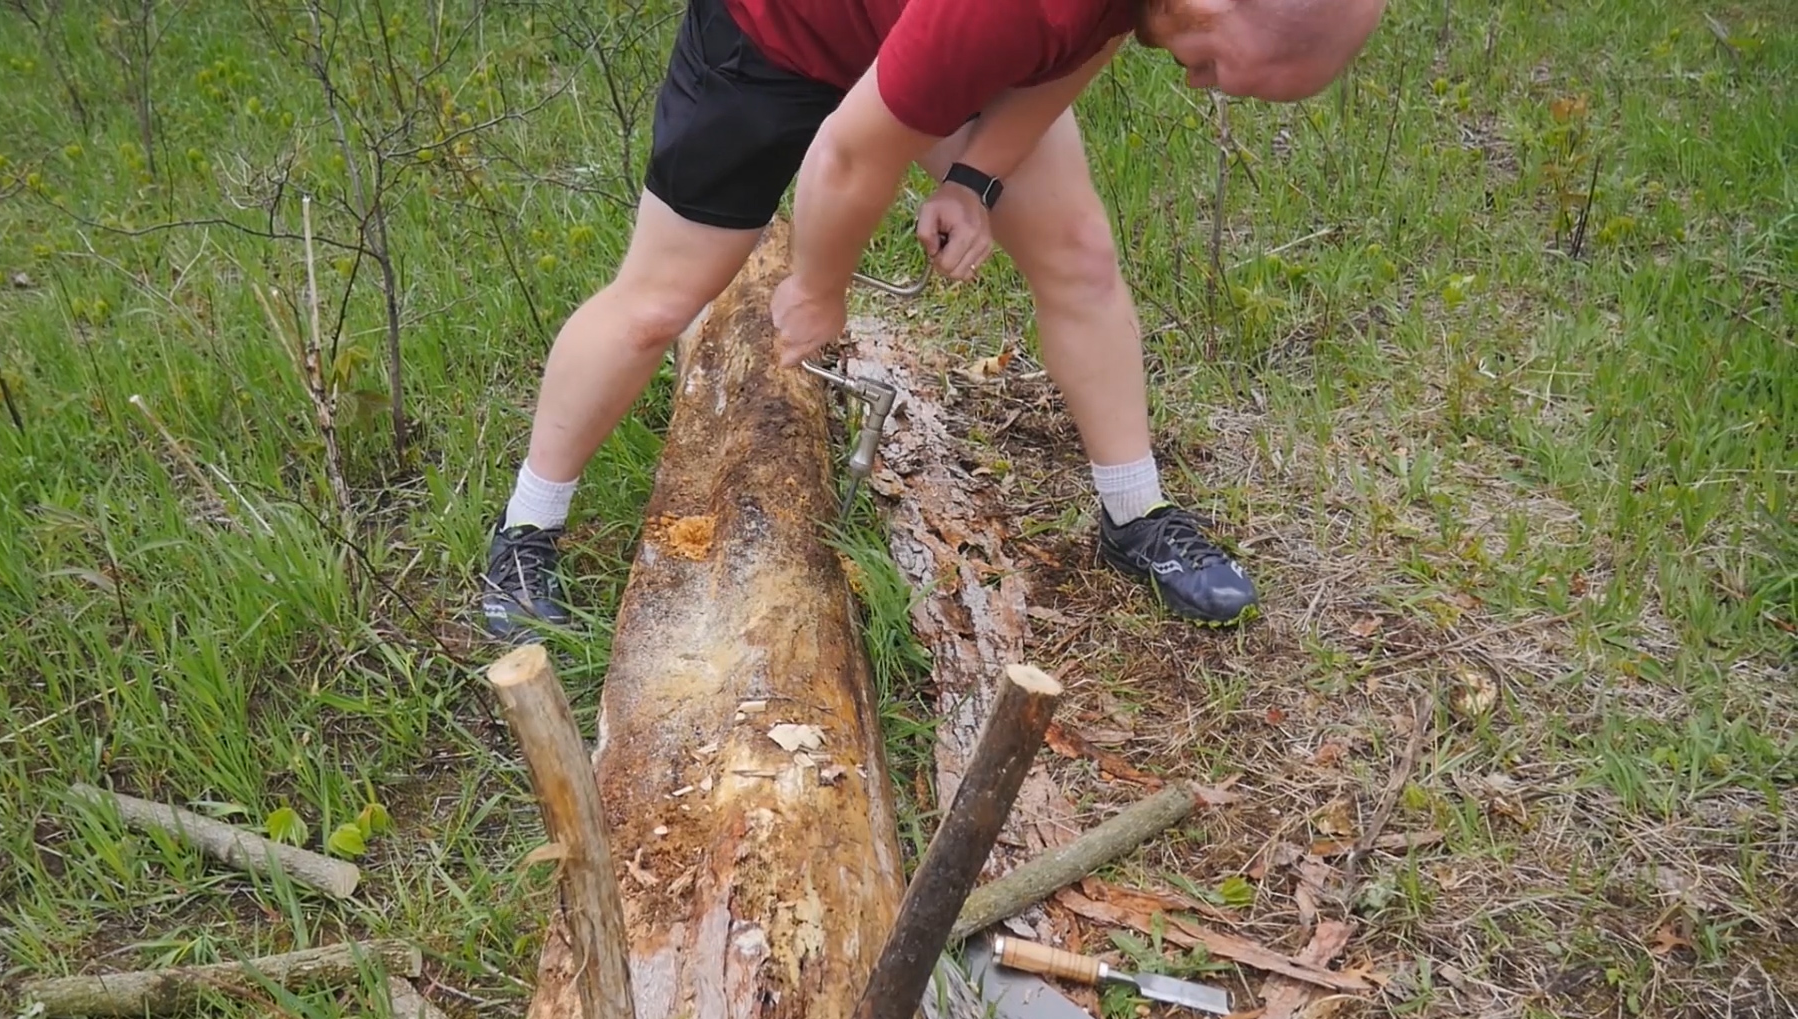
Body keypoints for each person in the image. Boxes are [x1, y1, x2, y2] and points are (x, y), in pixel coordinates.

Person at [481, 0, 1387, 644]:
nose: (1206, 90)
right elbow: (845, 153)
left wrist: (978, 176)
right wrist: (819, 287)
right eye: (1233, 74)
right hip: (779, 34)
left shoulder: (1144, 6)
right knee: (657, 306)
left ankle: (1135, 513)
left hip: (930, 35)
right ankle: (525, 532)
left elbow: (1089, 43)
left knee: (1078, 256)